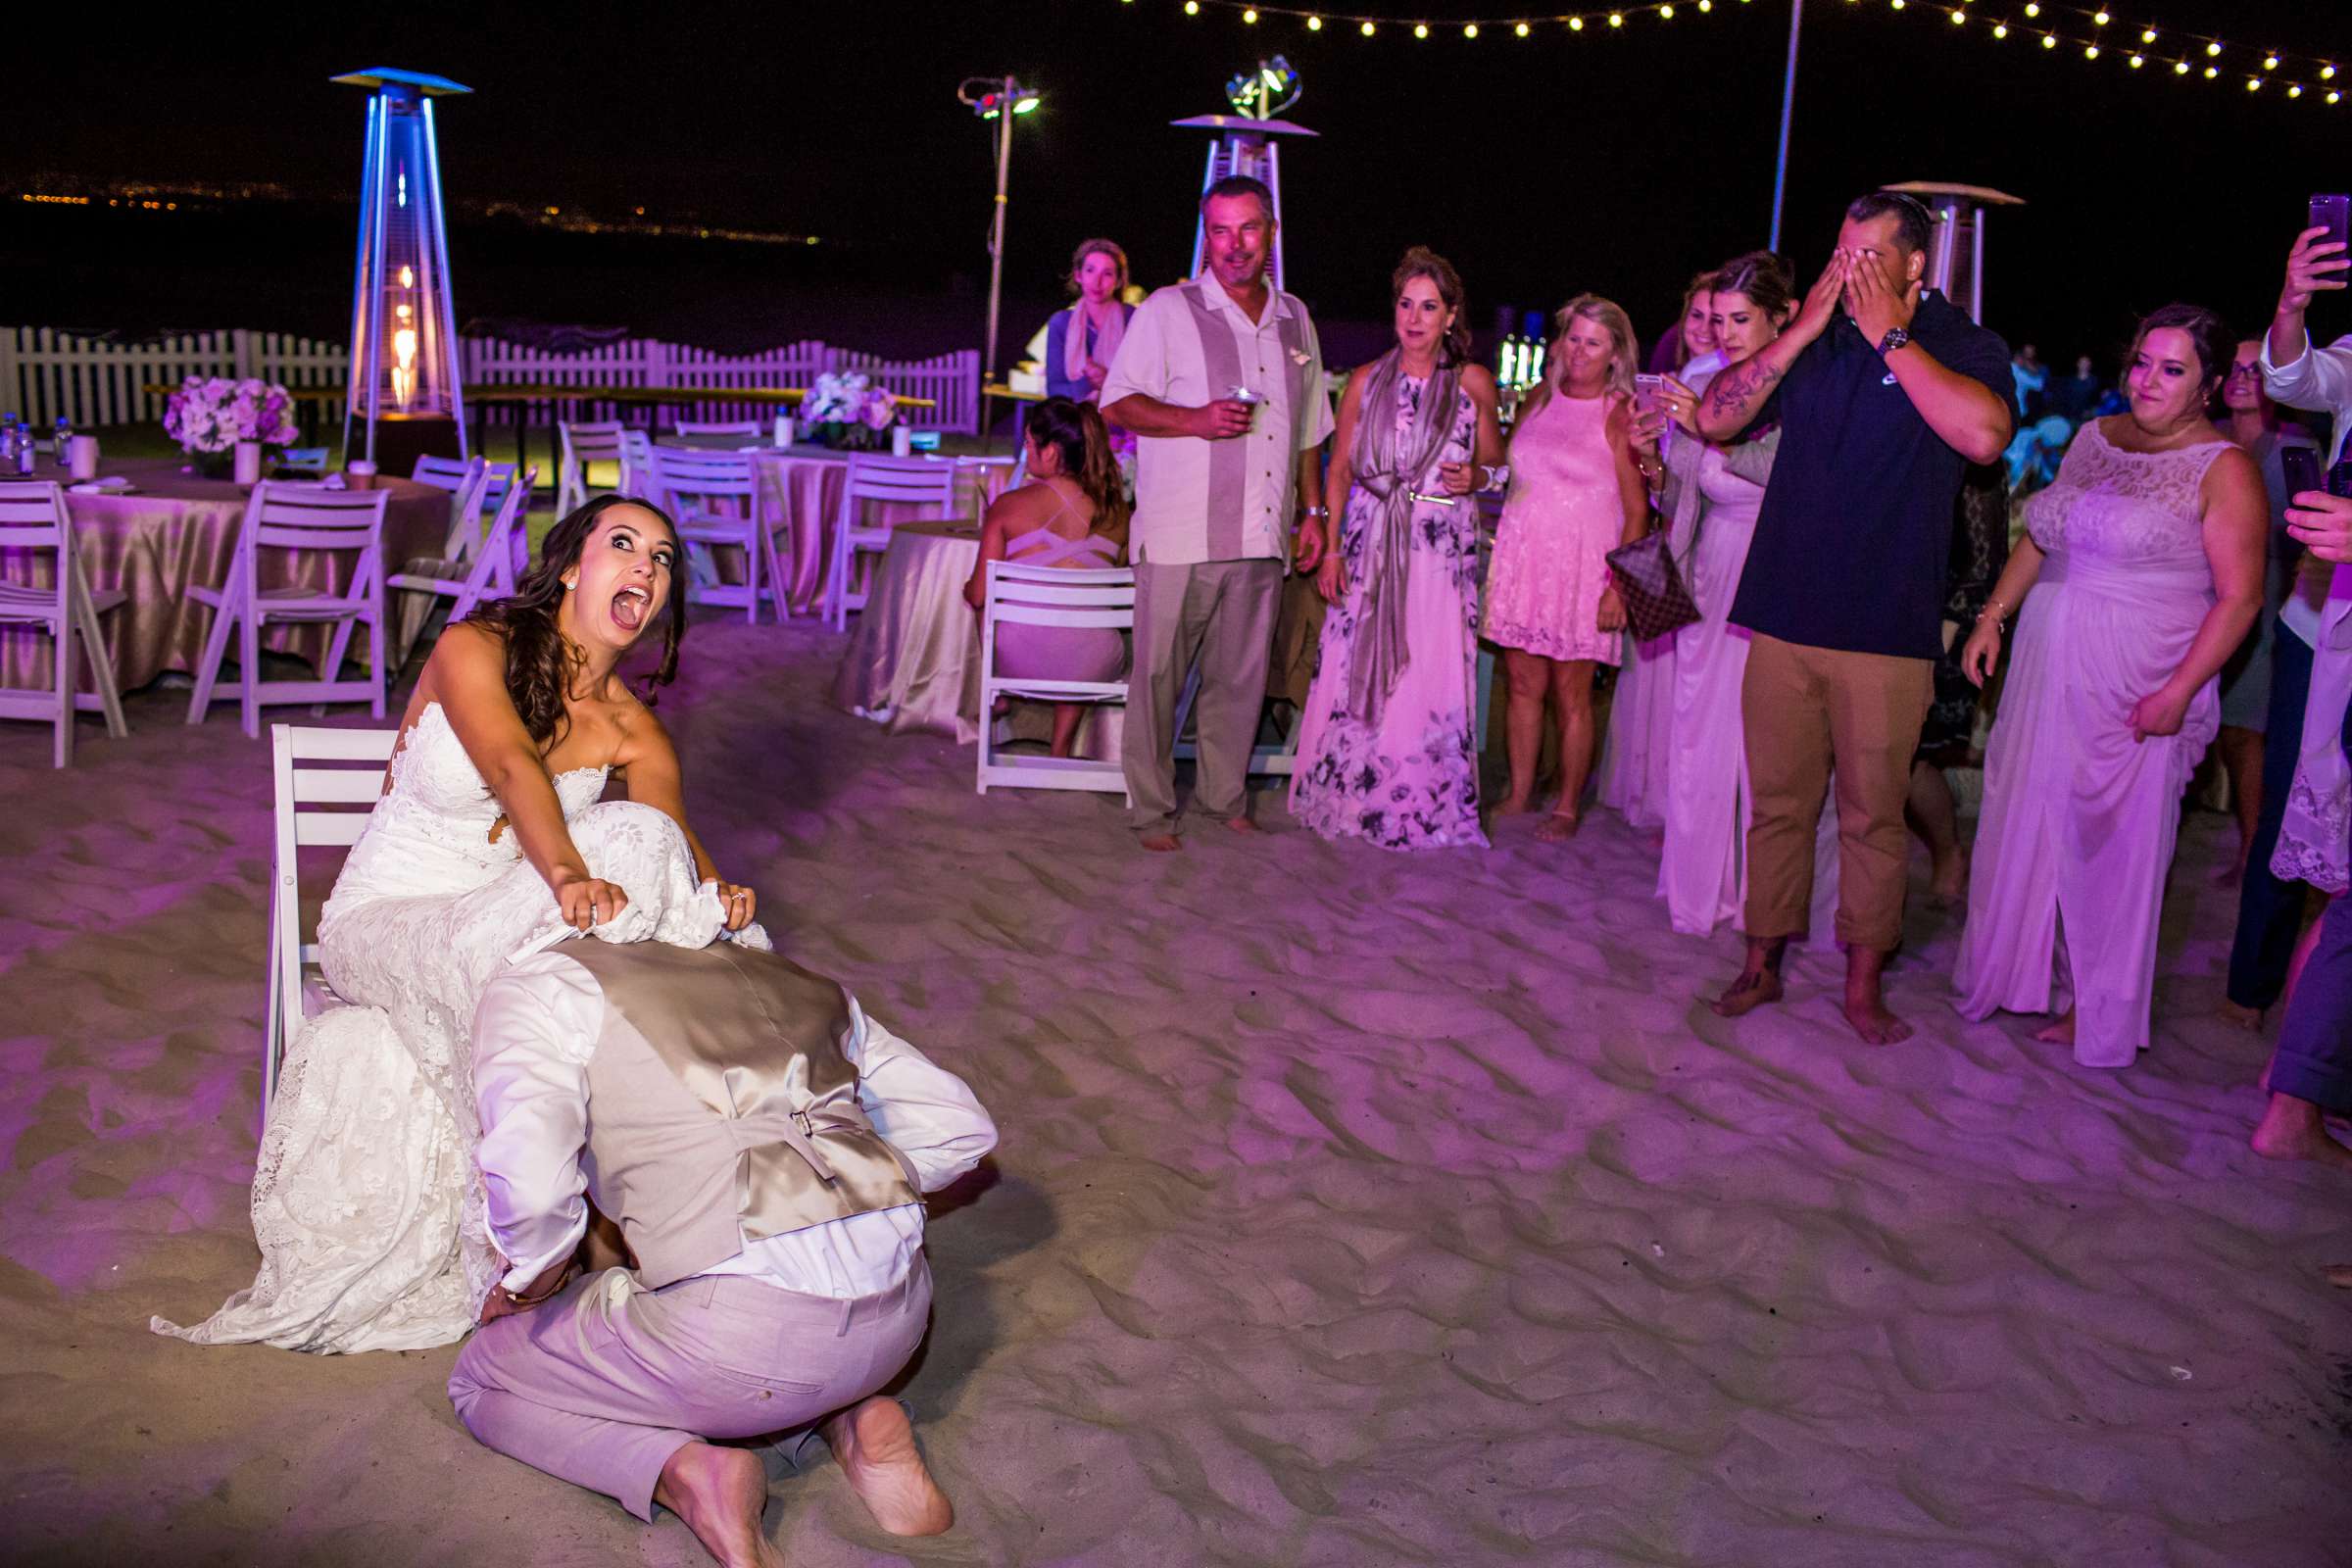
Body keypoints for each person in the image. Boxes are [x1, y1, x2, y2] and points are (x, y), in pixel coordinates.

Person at [155, 497, 761, 1351]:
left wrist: (718, 892)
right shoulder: (473, 645)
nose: (646, 568)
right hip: (387, 919)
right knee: (557, 952)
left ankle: (682, 1161)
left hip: (507, 921)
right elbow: (513, 767)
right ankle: (576, 1222)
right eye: (622, 544)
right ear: (571, 567)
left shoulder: (635, 730)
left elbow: (672, 843)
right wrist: (564, 876)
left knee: (642, 848)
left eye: (663, 559)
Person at [448, 896, 996, 1566]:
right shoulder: (792, 975)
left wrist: (531, 1286)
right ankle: (850, 1416)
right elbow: (963, 1128)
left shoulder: (547, 981)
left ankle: (684, 1474)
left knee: (482, 1378)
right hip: (900, 1320)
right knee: (747, 1345)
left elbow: (534, 1190)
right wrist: (853, 1180)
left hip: (739, 1342)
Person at [1691, 190, 2014, 1044]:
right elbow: (1716, 415)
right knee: (1778, 804)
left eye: (1867, 256)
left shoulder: (1961, 343)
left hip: (1885, 624)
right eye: (1841, 252)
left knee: (1873, 814)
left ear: (1915, 263)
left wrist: (1891, 337)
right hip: (1784, 612)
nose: (1850, 270)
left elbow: (1984, 438)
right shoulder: (1815, 335)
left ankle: (1863, 983)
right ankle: (1762, 963)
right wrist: (1800, 329)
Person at [1954, 305, 2265, 1068]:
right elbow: (2043, 535)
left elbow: (2240, 598)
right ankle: (2023, 971)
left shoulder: (2224, 468)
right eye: (2141, 362)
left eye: (2173, 368)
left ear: (2210, 386)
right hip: (2047, 663)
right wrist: (1994, 616)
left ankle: (2095, 1002)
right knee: (2028, 806)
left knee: (2114, 842)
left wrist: (2181, 691)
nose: (2147, 380)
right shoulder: (2095, 437)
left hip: (2142, 676)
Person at [1102, 175, 1333, 853]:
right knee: (1156, 677)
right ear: (1208, 234)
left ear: (1271, 233)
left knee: (1240, 677)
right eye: (1221, 230)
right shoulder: (1170, 310)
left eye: (1248, 229)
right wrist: (1195, 419)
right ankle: (1149, 811)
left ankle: (1223, 796)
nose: (1234, 245)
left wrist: (1313, 510)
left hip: (1262, 532)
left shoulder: (1295, 317)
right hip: (1180, 532)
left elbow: (1309, 428)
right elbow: (1117, 403)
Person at [1290, 247, 1505, 850]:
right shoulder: (1364, 379)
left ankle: (1423, 804)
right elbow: (1338, 472)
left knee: (1428, 672)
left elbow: (1498, 465)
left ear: (1450, 315)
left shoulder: (1473, 383)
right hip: (1370, 542)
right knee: (1359, 666)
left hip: (1441, 550)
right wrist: (1331, 548)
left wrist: (1478, 479)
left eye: (1428, 307)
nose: (1414, 318)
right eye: (1406, 304)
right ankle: (1356, 796)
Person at [1651, 252, 1838, 937]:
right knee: (1700, 726)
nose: (1726, 333)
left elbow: (1798, 473)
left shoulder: (1806, 387)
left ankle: (1763, 892)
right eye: (1719, 320)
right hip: (1709, 569)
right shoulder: (1711, 382)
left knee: (1764, 738)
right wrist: (1660, 447)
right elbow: (1683, 488)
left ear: (1782, 319)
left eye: (1741, 319)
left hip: (1773, 569)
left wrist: (1707, 428)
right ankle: (1700, 881)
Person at [2243, 217, 2352, 1164]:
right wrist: (2292, 301)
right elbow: (2292, 379)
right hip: (2332, 626)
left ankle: (2300, 1095)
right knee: (2328, 868)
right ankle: (2294, 1098)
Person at [1482, 294, 1651, 842]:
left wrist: (1618, 588)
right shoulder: (1538, 398)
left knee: (1571, 693)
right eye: (1573, 338)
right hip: (1523, 560)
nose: (1579, 351)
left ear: (1615, 352)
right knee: (1523, 684)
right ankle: (1520, 790)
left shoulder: (1621, 414)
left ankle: (1568, 806)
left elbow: (1636, 510)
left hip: (1584, 572)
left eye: (1593, 342)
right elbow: (1514, 474)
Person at [1600, 276, 1718, 831]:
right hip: (1666, 531)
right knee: (1654, 670)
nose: (1704, 328)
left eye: (1716, 317)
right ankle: (1652, 792)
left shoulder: (1724, 384)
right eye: (1695, 315)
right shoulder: (1671, 380)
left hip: (1706, 536)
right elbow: (1659, 485)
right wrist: (1646, 453)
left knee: (1688, 676)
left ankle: (1682, 805)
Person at [964, 396, 1131, 758]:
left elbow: (978, 596)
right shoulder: (1117, 512)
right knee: (1081, 621)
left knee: (982, 600)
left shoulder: (1009, 505)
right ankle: (1061, 747)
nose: (1026, 451)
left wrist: (966, 588)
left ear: (1051, 451)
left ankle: (1000, 695)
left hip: (1016, 661)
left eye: (1028, 443)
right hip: (1095, 664)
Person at [2214, 338, 2321, 893]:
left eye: (2255, 371)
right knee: (2214, 726)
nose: (2241, 379)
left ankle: (2255, 854)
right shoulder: (2211, 439)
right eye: (2232, 369)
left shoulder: (2295, 448)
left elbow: (2311, 537)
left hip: (2271, 597)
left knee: (2245, 731)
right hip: (2206, 597)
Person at [1907, 461, 2010, 905]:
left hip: (1945, 627)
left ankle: (1949, 852)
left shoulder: (1976, 461)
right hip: (1886, 611)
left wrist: (1939, 644)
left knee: (1912, 758)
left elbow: (1984, 563)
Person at [1042, 238, 1136, 405]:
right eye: (1090, 271)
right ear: (1079, 275)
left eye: (1107, 273)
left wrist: (1109, 380)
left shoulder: (1133, 318)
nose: (1097, 282)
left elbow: (1146, 383)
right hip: (1075, 423)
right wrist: (1087, 383)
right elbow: (1054, 391)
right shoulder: (1061, 323)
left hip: (1124, 421)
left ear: (1119, 280)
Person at [1645, 271, 1718, 375]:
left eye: (1715, 319)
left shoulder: (1737, 384)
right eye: (1697, 315)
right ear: (1685, 317)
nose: (1704, 328)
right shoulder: (1669, 379)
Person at [2010, 342, 2047, 422]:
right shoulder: (2019, 372)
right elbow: (2039, 385)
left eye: (2030, 353)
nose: (2027, 357)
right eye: (2025, 355)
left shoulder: (2003, 367)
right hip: (2017, 411)